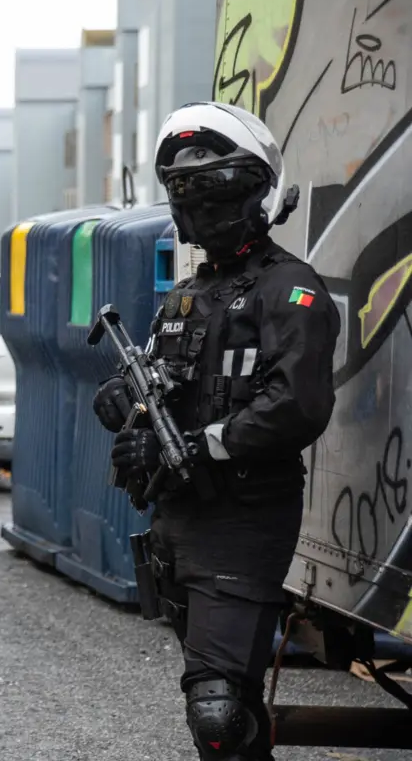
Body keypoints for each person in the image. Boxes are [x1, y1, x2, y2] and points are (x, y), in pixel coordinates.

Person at [92, 101, 339, 760]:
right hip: (178, 522)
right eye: (188, 193)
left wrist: (203, 443)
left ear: (257, 190)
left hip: (245, 518)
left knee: (218, 709)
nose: (203, 209)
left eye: (217, 189)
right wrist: (125, 405)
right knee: (230, 702)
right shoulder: (187, 296)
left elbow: (298, 406)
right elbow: (155, 382)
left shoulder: (290, 291)